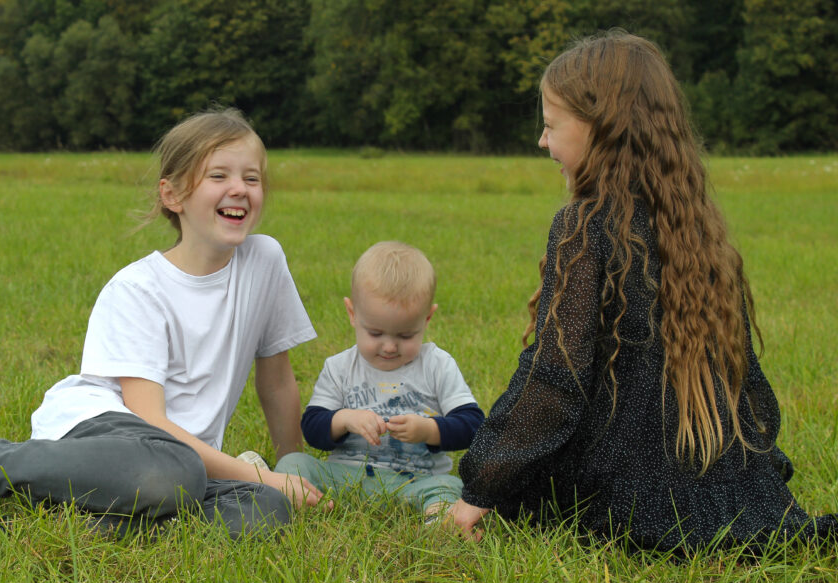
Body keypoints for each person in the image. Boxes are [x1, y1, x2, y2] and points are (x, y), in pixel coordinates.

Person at [0, 108, 327, 539]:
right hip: (106, 433)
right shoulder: (138, 290)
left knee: (263, 512)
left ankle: (4, 533)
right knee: (172, 473)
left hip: (184, 464)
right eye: (218, 176)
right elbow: (149, 421)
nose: (239, 188)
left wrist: (288, 471)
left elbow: (277, 377)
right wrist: (258, 474)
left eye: (252, 178)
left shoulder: (265, 261)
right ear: (173, 194)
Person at [446, 31, 836, 552]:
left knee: (534, 490)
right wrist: (747, 474)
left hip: (623, 490)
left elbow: (555, 381)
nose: (543, 142)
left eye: (550, 126)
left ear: (601, 129)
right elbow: (749, 384)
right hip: (709, 470)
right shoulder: (696, 228)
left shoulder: (582, 226)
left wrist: (481, 486)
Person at [276, 241, 484, 520]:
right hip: (345, 477)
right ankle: (303, 501)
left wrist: (429, 430)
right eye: (375, 333)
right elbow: (313, 428)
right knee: (293, 463)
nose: (389, 347)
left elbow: (473, 425)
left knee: (451, 486)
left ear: (428, 318)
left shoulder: (437, 365)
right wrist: (345, 419)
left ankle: (438, 520)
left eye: (406, 336)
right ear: (352, 314)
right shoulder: (340, 368)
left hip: (416, 480)